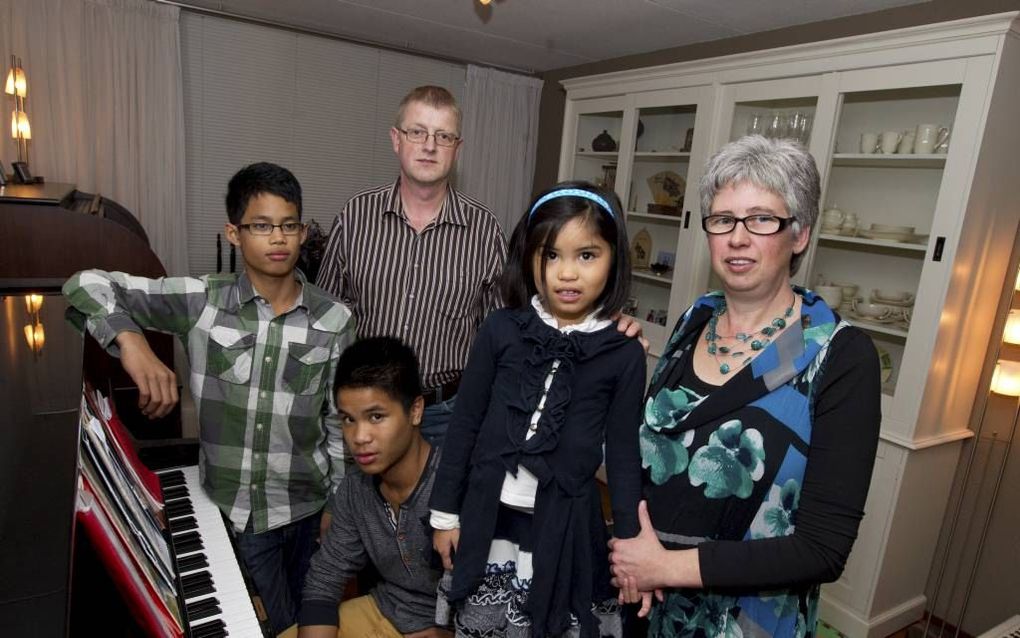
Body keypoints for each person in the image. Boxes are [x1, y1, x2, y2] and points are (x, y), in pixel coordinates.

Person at [63, 162, 355, 636]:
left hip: (306, 508)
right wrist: (131, 342)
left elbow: (339, 424)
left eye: (289, 226)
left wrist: (337, 510)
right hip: (234, 509)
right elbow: (83, 283)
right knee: (261, 621)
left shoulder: (334, 319)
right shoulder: (202, 300)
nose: (277, 238)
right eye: (261, 226)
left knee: (310, 618)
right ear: (234, 233)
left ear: (302, 231)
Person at [608, 135, 881, 638]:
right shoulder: (695, 317)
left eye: (761, 220)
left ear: (798, 234)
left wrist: (665, 567)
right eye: (723, 219)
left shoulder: (839, 355)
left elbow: (822, 549)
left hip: (744, 622)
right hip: (645, 604)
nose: (737, 237)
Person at [429, 181, 647, 637]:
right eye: (551, 255)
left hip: (562, 529)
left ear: (614, 259)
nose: (567, 273)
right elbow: (464, 424)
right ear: (529, 258)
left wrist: (629, 541)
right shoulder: (500, 328)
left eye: (586, 255)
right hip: (490, 523)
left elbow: (624, 454)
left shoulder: (623, 352)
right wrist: (445, 514)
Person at [315, 85, 507, 445]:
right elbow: (324, 318)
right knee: (357, 503)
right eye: (417, 132)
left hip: (445, 415)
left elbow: (501, 335)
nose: (429, 145)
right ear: (396, 139)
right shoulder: (355, 216)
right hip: (364, 410)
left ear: (457, 148)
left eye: (443, 136)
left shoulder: (485, 230)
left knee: (439, 505)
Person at [293, 337, 450, 638]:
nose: (359, 436)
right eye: (348, 419)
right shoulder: (355, 489)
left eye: (376, 417)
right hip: (383, 609)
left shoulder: (458, 486)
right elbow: (325, 579)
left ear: (416, 410)